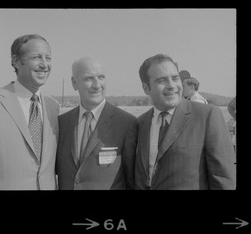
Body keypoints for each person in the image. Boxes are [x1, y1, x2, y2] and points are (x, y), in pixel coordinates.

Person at [0, 34, 59, 190]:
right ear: (16, 61)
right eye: (37, 57)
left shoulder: (53, 106)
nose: (44, 64)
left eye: (48, 58)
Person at [135, 54, 236, 190]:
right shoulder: (140, 123)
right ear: (146, 88)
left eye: (175, 78)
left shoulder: (207, 116)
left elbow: (224, 180)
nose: (172, 86)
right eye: (162, 80)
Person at [56, 57, 137, 190]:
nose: (97, 85)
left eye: (101, 77)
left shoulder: (126, 123)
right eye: (89, 78)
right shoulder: (61, 123)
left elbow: (132, 181)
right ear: (74, 82)